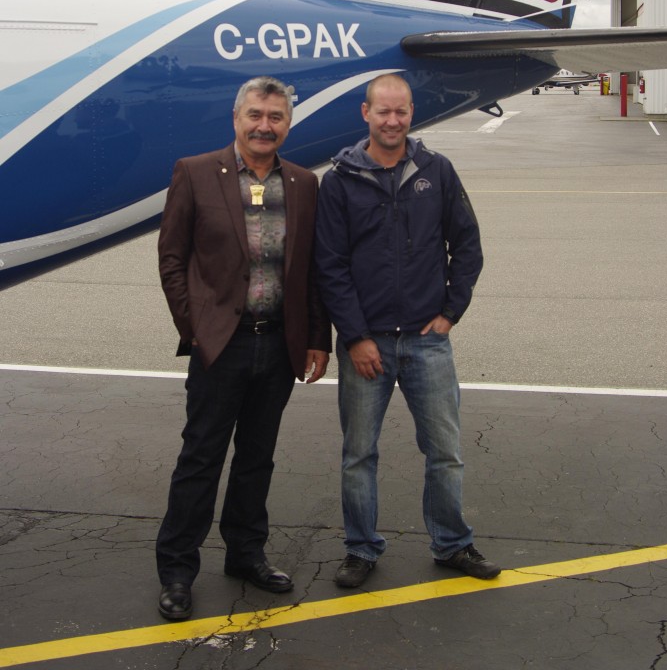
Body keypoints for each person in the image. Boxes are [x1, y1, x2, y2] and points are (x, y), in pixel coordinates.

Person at [156, 75, 331, 620]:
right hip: (220, 345)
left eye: (276, 117)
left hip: (278, 346)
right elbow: (172, 257)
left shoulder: (303, 183)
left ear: (288, 124)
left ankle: (246, 553)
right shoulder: (195, 172)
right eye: (255, 115)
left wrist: (317, 339)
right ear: (236, 118)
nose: (264, 126)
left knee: (257, 458)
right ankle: (177, 570)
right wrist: (195, 326)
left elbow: (312, 270)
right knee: (201, 458)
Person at [315, 73, 500, 588]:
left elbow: (468, 245)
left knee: (445, 452)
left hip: (427, 341)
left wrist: (451, 311)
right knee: (359, 455)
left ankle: (452, 544)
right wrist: (356, 337)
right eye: (383, 111)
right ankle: (360, 548)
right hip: (367, 345)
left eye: (401, 111)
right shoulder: (339, 181)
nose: (392, 121)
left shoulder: (437, 171)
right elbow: (330, 266)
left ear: (412, 113)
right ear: (366, 114)